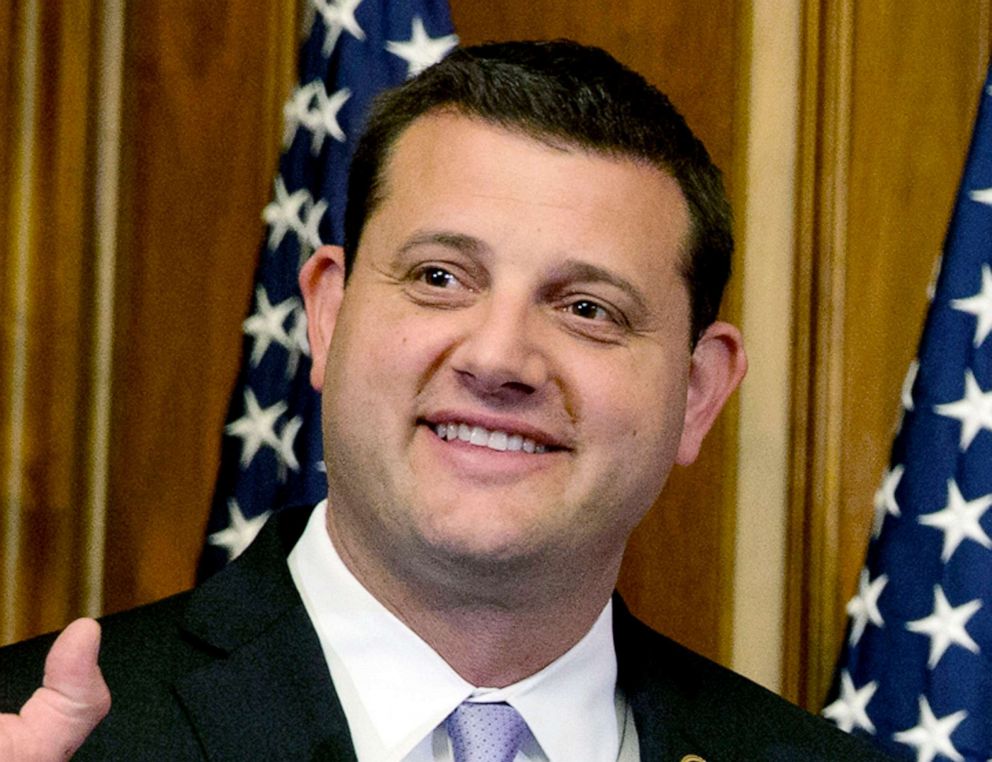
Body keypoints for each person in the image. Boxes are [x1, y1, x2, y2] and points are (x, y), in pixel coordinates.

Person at [0, 40, 891, 760]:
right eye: (439, 277)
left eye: (588, 309)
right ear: (327, 317)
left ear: (697, 394)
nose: (500, 359)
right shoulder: (49, 732)